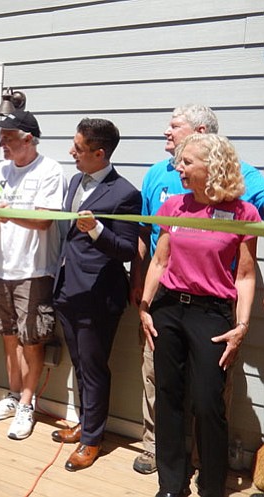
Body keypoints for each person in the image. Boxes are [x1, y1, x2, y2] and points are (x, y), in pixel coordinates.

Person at [129, 103, 264, 475]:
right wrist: (143, 301)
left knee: (209, 399)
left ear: (203, 137)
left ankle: (208, 472)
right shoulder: (167, 190)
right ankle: (167, 470)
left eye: (175, 128)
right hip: (168, 305)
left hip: (215, 308)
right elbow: (152, 248)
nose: (178, 166)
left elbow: (248, 272)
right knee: (163, 391)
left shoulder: (246, 196)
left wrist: (241, 325)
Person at [52, 118, 141, 471]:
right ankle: (85, 423)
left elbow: (127, 249)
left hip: (97, 295)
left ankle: (92, 439)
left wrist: (97, 230)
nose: (71, 152)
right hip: (67, 289)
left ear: (99, 153)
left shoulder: (125, 193)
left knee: (93, 368)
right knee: (78, 362)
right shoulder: (75, 180)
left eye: (78, 148)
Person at [0, 111, 65, 440]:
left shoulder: (50, 170)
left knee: (31, 341)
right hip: (0, 268)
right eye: (2, 138)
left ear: (28, 139)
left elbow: (43, 221)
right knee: (8, 337)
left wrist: (5, 213)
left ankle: (28, 403)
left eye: (9, 138)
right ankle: (13, 396)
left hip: (34, 270)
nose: (2, 144)